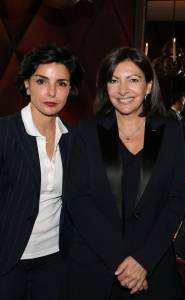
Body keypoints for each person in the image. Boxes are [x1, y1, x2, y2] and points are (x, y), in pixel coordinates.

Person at [64, 46, 185, 300]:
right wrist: (122, 261)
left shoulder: (171, 131)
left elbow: (177, 200)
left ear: (149, 86)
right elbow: (79, 201)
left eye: (133, 80)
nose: (122, 90)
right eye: (114, 80)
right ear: (105, 87)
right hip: (95, 268)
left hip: (153, 269)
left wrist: (143, 261)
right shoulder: (86, 132)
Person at [0, 44, 84, 300]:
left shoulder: (74, 139)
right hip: (7, 258)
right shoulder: (4, 132)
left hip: (54, 260)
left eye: (61, 83)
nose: (51, 92)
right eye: (41, 81)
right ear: (27, 85)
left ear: (70, 89)